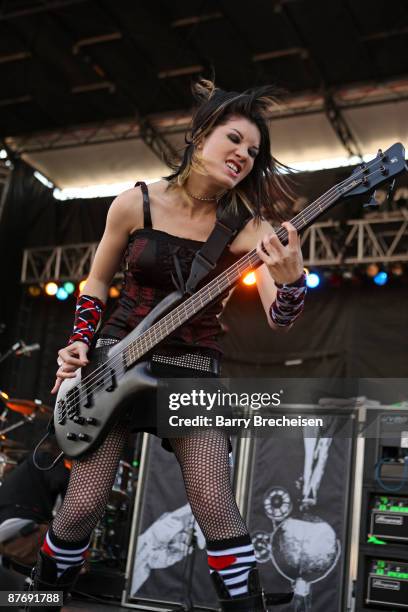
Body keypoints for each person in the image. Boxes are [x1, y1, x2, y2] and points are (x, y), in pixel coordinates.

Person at [28, 80, 306, 612]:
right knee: (82, 504)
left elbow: (281, 317)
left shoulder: (249, 229)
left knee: (213, 503)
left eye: (253, 151)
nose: (244, 156)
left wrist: (291, 280)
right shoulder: (135, 202)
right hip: (114, 360)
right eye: (234, 139)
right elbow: (94, 284)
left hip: (192, 368)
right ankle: (37, 598)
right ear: (199, 136)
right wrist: (79, 346)